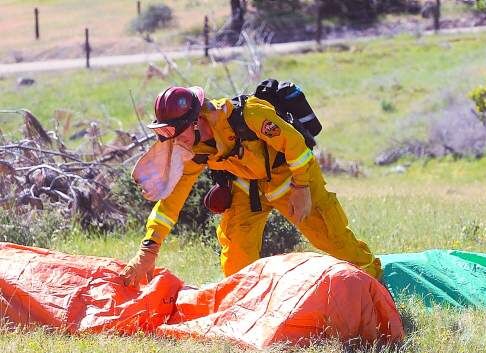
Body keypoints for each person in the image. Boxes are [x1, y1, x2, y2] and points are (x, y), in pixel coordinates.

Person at [120, 85, 382, 286]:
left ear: (197, 120)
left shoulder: (251, 114)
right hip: (247, 189)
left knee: (333, 239)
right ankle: (244, 312)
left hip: (291, 177)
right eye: (164, 133)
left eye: (173, 131)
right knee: (236, 262)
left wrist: (302, 188)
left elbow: (297, 147)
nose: (172, 140)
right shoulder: (191, 148)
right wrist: (149, 250)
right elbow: (170, 202)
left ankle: (376, 284)